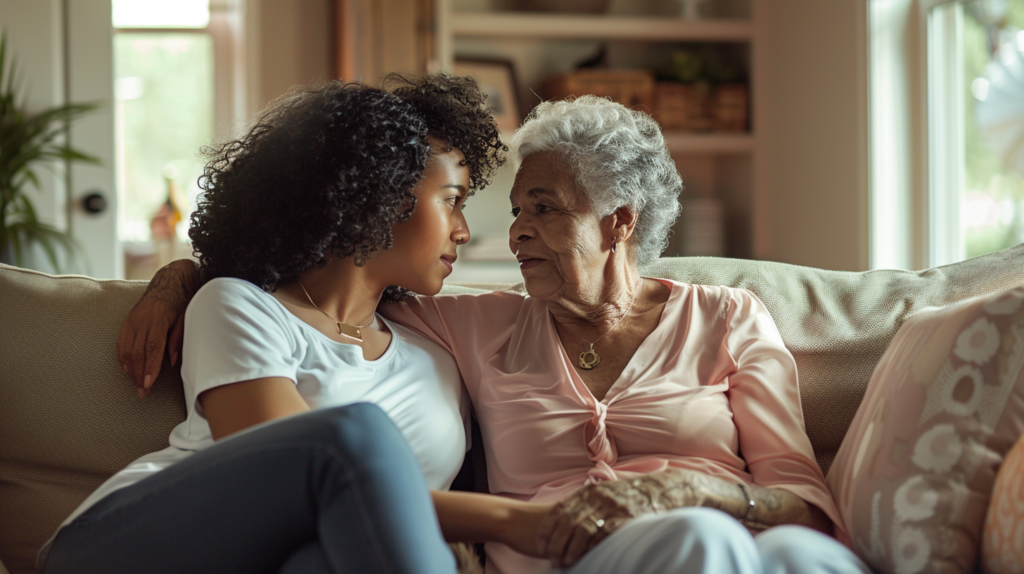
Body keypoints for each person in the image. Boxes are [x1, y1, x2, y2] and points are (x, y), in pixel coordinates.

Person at [121, 96, 872, 574]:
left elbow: (803, 501)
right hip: (571, 556)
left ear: (620, 222)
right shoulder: (468, 323)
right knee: (702, 546)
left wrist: (694, 488)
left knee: (803, 557)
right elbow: (315, 286)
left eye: (542, 209)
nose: (513, 233)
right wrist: (181, 276)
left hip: (723, 524)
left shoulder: (729, 317)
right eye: (513, 211)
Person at [41, 74, 552, 574]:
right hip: (132, 543)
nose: (463, 231)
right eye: (452, 200)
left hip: (316, 554)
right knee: (350, 435)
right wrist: (516, 522)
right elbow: (282, 471)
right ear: (378, 193)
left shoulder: (438, 350)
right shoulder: (239, 306)